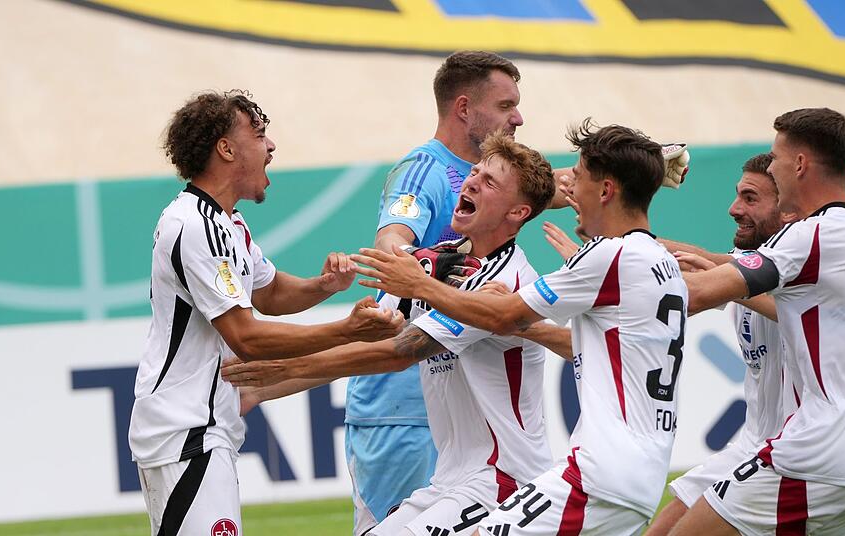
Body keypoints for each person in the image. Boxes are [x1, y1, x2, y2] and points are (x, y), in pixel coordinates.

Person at [352, 121, 689, 535]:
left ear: (606, 190)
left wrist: (420, 284)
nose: (570, 192)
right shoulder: (655, 260)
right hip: (628, 469)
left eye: (578, 179)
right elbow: (540, 327)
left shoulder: (604, 258)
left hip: (589, 473)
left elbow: (499, 315)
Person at [222, 132, 556, 535]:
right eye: (474, 172)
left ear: (518, 212)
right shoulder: (439, 264)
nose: (471, 182)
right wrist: (262, 389)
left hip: (503, 481)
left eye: (489, 182)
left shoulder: (502, 281)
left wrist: (282, 367)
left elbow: (401, 352)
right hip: (453, 478)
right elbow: (370, 339)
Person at [128, 90, 403, 536]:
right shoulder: (195, 224)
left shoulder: (228, 222)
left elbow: (270, 292)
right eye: (258, 135)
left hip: (200, 428)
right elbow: (247, 337)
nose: (271, 145)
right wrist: (348, 330)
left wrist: (324, 285)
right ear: (226, 148)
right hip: (186, 430)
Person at [670, 108, 845, 535]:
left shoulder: (811, 235)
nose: (773, 168)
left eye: (776, 159)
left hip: (820, 448)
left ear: (799, 164)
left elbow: (699, 293)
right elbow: (729, 265)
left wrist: (612, 271)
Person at [347, 50, 528, 536]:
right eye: (506, 105)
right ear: (464, 108)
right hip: (400, 409)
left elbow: (549, 187)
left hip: (453, 412)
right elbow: (390, 242)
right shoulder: (422, 170)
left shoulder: (484, 177)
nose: (518, 118)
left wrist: (641, 166)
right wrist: (419, 261)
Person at [645, 153, 800, 536]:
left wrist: (728, 283)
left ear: (787, 209)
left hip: (796, 450)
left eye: (750, 198)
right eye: (737, 195)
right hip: (753, 443)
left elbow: (790, 310)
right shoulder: (747, 264)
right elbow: (700, 262)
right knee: (661, 530)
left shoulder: (806, 265)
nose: (733, 209)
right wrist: (616, 243)